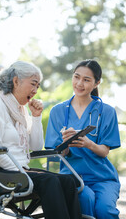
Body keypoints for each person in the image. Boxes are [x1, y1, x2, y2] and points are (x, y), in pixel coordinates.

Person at [0, 61, 82, 219]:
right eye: (33, 84)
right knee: (50, 181)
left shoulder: (21, 111)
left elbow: (35, 145)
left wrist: (36, 117)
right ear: (16, 81)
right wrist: (19, 169)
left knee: (68, 181)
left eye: (38, 86)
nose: (35, 90)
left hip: (17, 171)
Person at [45, 59, 121, 219]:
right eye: (76, 77)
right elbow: (55, 153)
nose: (79, 83)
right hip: (73, 175)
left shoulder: (106, 112)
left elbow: (104, 152)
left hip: (103, 177)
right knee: (86, 200)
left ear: (96, 83)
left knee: (105, 210)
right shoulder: (57, 112)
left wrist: (88, 144)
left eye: (86, 80)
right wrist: (65, 147)